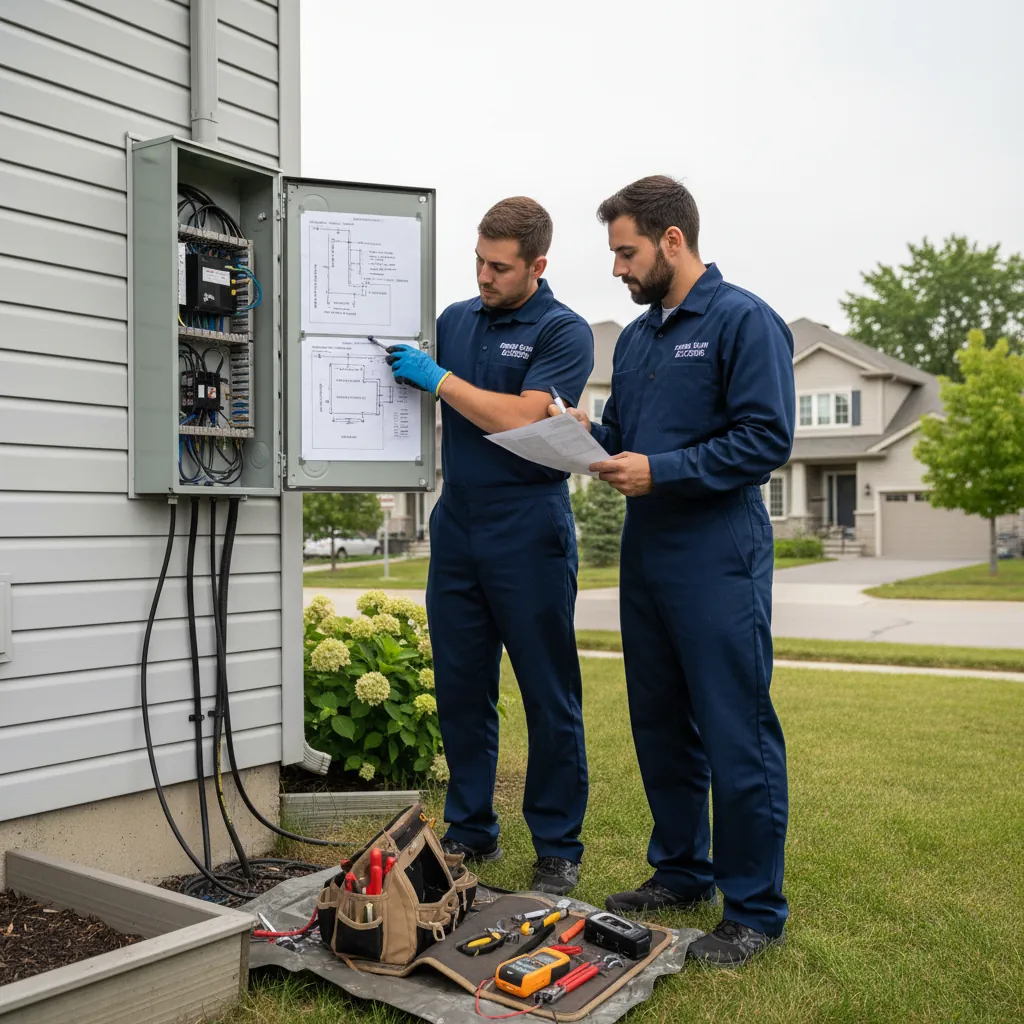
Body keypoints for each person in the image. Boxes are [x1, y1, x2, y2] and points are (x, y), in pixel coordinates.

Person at [551, 176, 794, 963]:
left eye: (627, 252)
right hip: (647, 553)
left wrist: (663, 470)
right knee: (660, 723)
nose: (617, 268)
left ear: (673, 240)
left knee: (735, 729)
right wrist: (584, 434)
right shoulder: (637, 338)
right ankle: (683, 871)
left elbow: (766, 439)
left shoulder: (743, 320)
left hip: (718, 552)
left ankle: (754, 910)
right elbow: (627, 436)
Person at [385, 197, 593, 895]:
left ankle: (557, 844)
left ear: (537, 265)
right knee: (461, 685)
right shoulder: (455, 320)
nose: (483, 276)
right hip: (459, 522)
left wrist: (439, 380)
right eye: (478, 260)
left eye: (499, 267)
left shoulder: (563, 330)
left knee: (546, 690)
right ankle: (471, 826)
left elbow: (523, 418)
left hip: (528, 525)